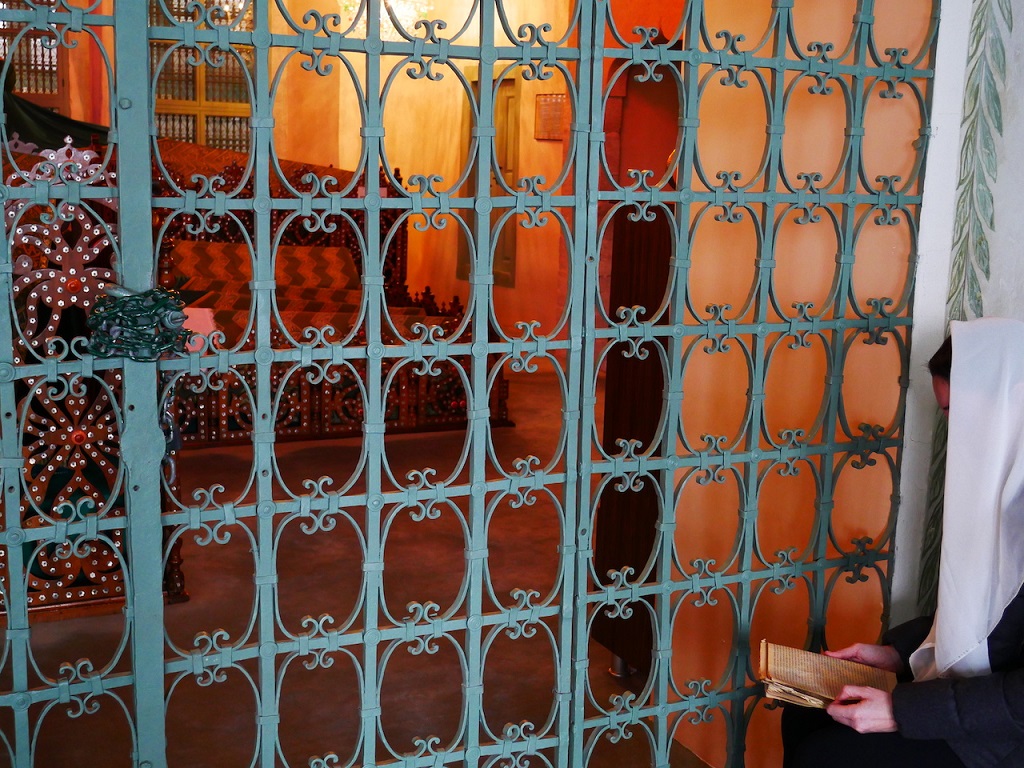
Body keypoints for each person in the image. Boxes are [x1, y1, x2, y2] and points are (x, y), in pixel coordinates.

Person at [782, 317, 1024, 768]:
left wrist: (900, 711)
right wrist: (897, 653)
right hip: (971, 704)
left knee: (828, 754)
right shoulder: (1003, 487)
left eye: (958, 414)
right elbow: (988, 615)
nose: (955, 432)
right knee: (804, 711)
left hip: (1001, 736)